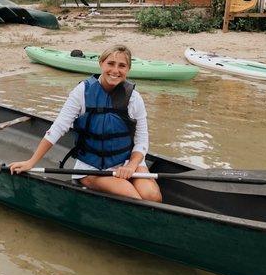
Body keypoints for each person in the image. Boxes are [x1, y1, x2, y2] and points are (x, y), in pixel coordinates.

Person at [9, 45, 162, 202]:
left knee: (152, 196)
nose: (115, 70)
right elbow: (58, 129)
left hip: (127, 162)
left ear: (128, 69)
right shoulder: (82, 92)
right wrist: (31, 162)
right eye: (111, 63)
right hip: (92, 167)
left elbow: (142, 140)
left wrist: (131, 166)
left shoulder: (134, 98)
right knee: (132, 197)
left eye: (122, 66)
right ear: (101, 63)